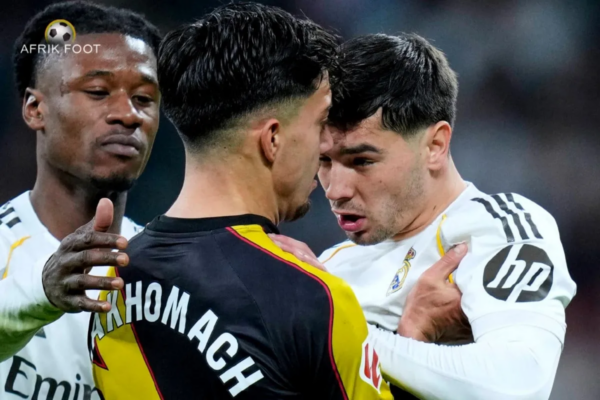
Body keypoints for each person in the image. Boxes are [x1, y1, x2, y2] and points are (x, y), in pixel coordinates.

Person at [88, 4, 396, 399]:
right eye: (321, 123)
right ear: (273, 139)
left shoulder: (114, 281)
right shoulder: (310, 300)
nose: (326, 147)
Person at [275, 33, 577, 399]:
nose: (335, 190)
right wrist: (407, 334)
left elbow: (517, 385)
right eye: (324, 161)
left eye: (362, 161)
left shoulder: (499, 229)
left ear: (435, 145)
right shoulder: (332, 267)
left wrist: (337, 324)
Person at [0, 2, 161, 398]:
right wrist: (42, 292)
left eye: (144, 98)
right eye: (98, 92)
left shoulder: (170, 270)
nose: (128, 115)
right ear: (35, 109)